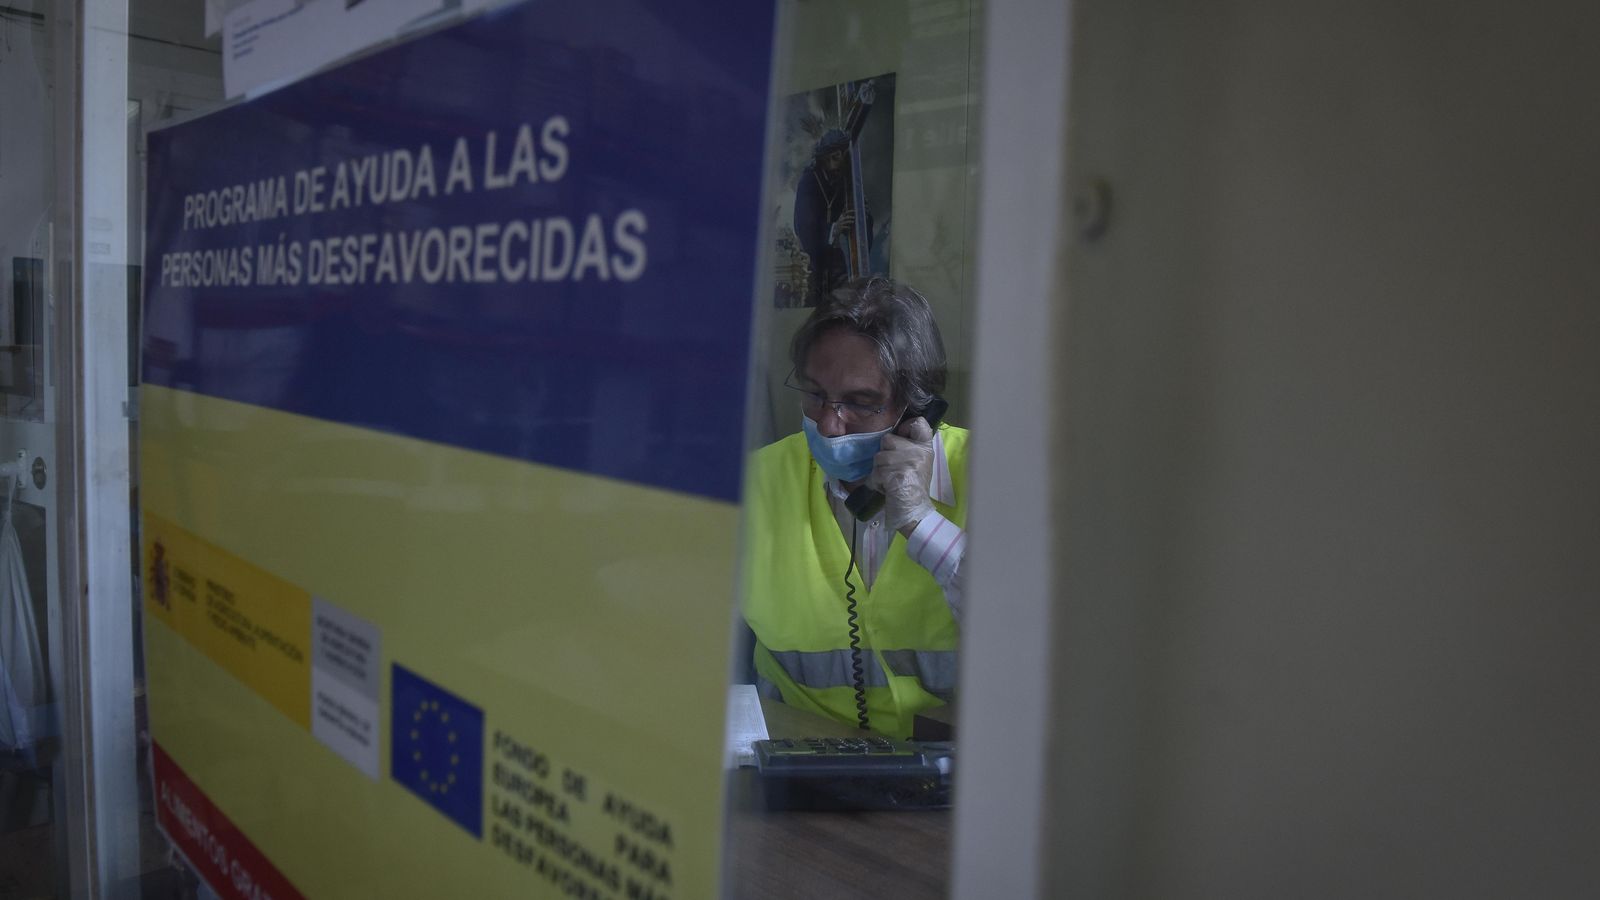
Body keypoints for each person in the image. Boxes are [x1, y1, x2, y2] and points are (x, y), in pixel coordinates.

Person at [743, 276, 968, 738]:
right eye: (814, 394)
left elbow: (1034, 638)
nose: (828, 425)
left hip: (960, 779)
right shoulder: (757, 480)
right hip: (794, 767)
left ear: (917, 409)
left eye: (860, 403)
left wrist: (920, 521)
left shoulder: (994, 477)